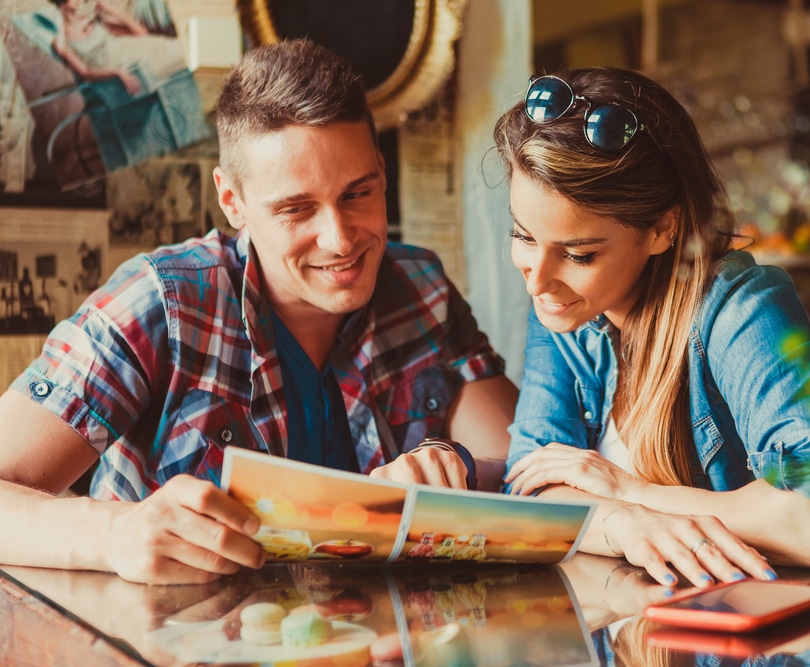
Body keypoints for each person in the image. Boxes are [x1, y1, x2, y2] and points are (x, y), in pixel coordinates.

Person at [0, 39, 517, 585]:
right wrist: (113, 533)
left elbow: (525, 474)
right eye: (296, 209)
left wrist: (450, 461)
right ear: (232, 201)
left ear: (381, 172)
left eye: (358, 194)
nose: (340, 239)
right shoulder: (161, 300)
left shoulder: (420, 287)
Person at [495, 68, 810, 588]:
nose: (537, 278)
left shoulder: (739, 306)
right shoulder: (565, 307)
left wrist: (629, 492)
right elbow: (531, 487)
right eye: (523, 235)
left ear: (662, 229)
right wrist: (619, 524)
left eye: (579, 254)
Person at [49, 0, 185, 95]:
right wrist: (117, 73)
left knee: (180, 49)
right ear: (61, 4)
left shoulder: (92, 17)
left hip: (136, 49)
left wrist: (112, 11)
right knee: (183, 54)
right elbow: (86, 74)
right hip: (123, 65)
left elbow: (141, 34)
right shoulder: (61, 42)